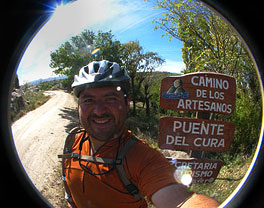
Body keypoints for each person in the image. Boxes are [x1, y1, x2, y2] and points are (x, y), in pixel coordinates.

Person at [60, 60, 219, 208]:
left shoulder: (142, 159)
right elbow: (71, 195)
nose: (99, 110)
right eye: (88, 100)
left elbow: (182, 201)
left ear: (126, 104)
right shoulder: (72, 142)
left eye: (110, 98)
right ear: (79, 106)